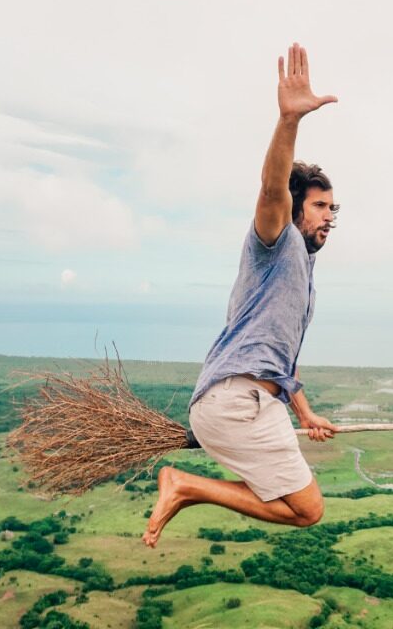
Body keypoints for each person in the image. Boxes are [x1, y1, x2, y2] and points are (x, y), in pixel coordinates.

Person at [142, 42, 341, 547]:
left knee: (303, 510)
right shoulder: (275, 242)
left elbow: (276, 361)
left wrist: (306, 413)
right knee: (308, 509)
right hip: (236, 403)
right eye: (320, 206)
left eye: (334, 209)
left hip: (254, 399)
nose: (329, 217)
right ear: (296, 208)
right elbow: (274, 187)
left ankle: (185, 484)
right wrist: (290, 121)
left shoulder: (301, 272)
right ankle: (184, 483)